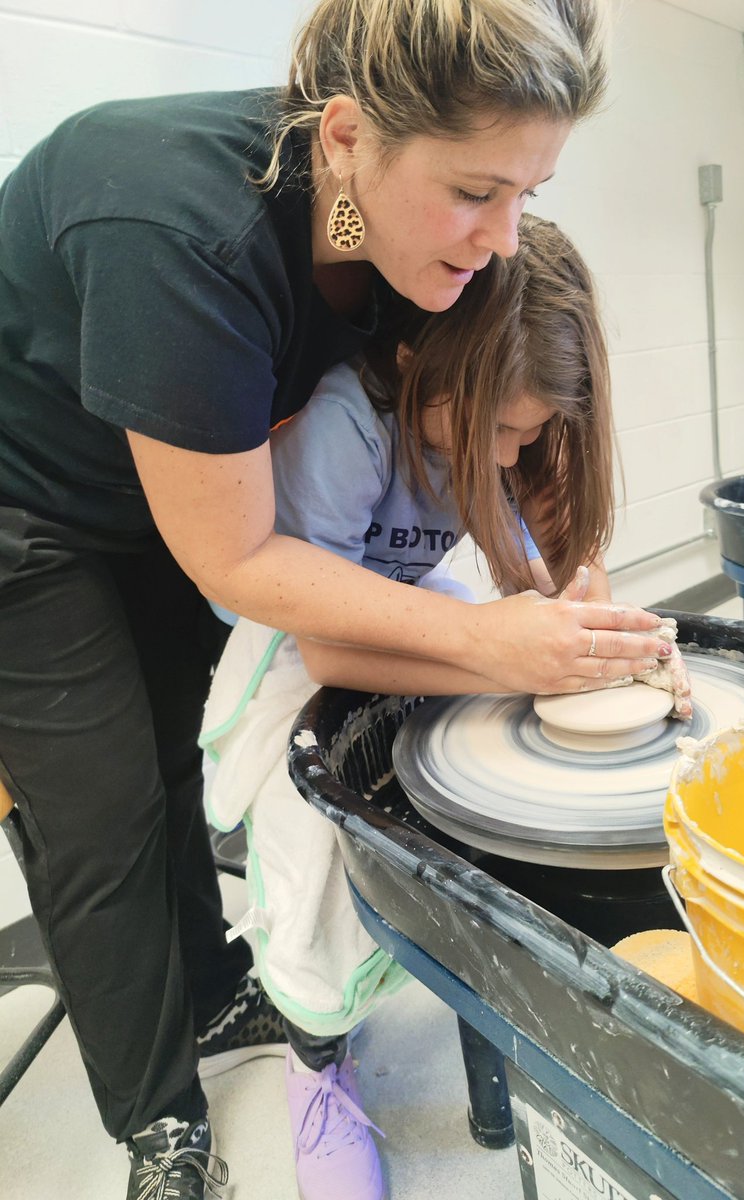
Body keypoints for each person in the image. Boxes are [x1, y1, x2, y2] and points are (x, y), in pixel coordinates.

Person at [0, 0, 676, 1195]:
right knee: (103, 814)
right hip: (25, 501)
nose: (505, 236)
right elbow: (242, 564)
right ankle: (158, 1125)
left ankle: (215, 999)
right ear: (354, 138)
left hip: (169, 477)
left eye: (529, 190)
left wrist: (574, 613)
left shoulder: (408, 241)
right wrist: (483, 641)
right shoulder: (187, 235)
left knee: (169, 764)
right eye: (478, 191)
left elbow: (503, 447)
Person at [200, 213, 692, 1200]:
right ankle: (315, 1066)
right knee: (317, 843)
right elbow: (330, 641)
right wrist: (519, 666)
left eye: (533, 433)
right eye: (505, 428)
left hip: (416, 623)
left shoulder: (487, 433)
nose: (515, 455)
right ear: (428, 365)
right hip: (298, 648)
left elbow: (560, 574)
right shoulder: (347, 423)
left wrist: (613, 641)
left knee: (477, 767)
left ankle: (457, 959)